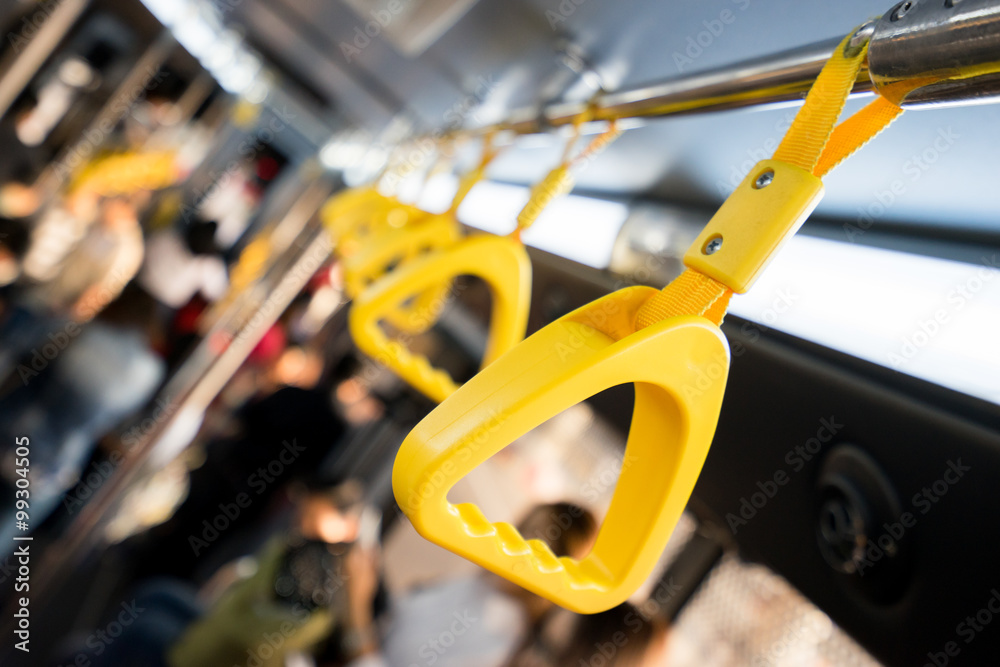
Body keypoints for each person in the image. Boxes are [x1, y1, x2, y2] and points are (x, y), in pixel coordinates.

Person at [345, 502, 599, 667]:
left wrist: (358, 606)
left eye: (537, 546)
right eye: (522, 532)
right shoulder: (482, 584)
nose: (515, 547)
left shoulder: (500, 642)